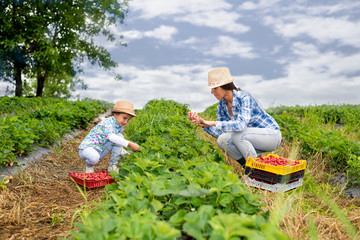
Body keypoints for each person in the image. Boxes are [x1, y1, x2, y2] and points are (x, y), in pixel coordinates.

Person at [189, 67, 281, 167]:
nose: (212, 92)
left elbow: (240, 126)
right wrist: (203, 124)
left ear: (224, 86)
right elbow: (222, 133)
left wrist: (212, 122)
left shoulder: (244, 98)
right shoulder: (221, 106)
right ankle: (248, 166)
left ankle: (256, 169)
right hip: (251, 140)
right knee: (222, 140)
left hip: (271, 136)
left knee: (237, 135)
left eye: (215, 88)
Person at [78, 100, 140, 173]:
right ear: (116, 114)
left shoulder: (118, 126)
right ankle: (89, 166)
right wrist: (129, 144)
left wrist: (123, 152)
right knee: (94, 158)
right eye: (124, 118)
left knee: (119, 136)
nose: (126, 122)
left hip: (100, 149)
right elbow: (112, 138)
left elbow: (117, 142)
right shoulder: (108, 122)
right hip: (87, 149)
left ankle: (113, 166)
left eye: (128, 120)